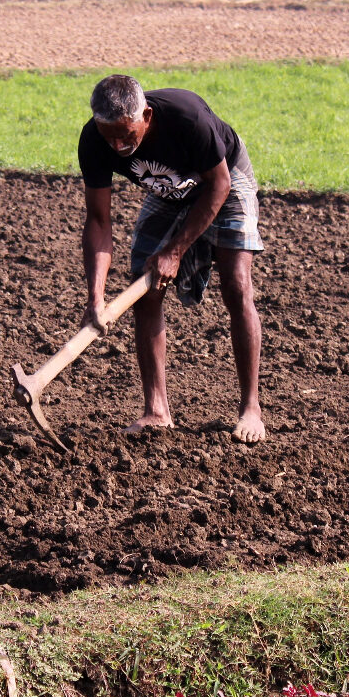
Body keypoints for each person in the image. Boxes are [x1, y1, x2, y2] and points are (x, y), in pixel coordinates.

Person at [77, 74, 266, 444]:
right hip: (169, 189)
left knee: (237, 283)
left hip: (223, 177)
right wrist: (95, 297)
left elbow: (219, 186)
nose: (117, 146)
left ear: (146, 116)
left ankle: (251, 408)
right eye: (108, 136)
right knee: (144, 288)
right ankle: (156, 411)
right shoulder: (94, 140)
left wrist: (175, 252)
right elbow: (98, 221)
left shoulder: (187, 118)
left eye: (126, 136)